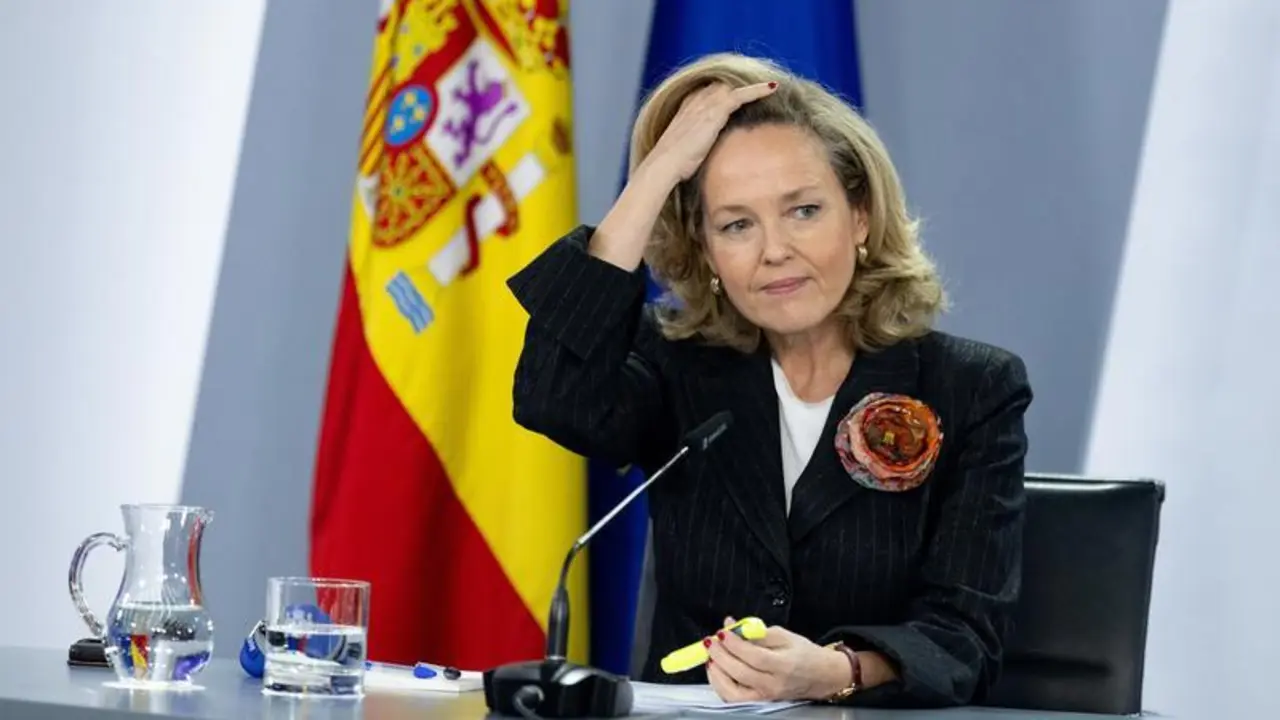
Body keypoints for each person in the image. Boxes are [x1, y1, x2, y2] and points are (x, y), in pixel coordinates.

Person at [506, 52, 1033, 708]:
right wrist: (655, 175)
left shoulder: (972, 388)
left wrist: (836, 671)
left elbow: (965, 638)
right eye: (736, 225)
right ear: (707, 251)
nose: (775, 250)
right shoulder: (675, 366)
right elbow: (553, 398)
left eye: (804, 211)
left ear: (860, 216)